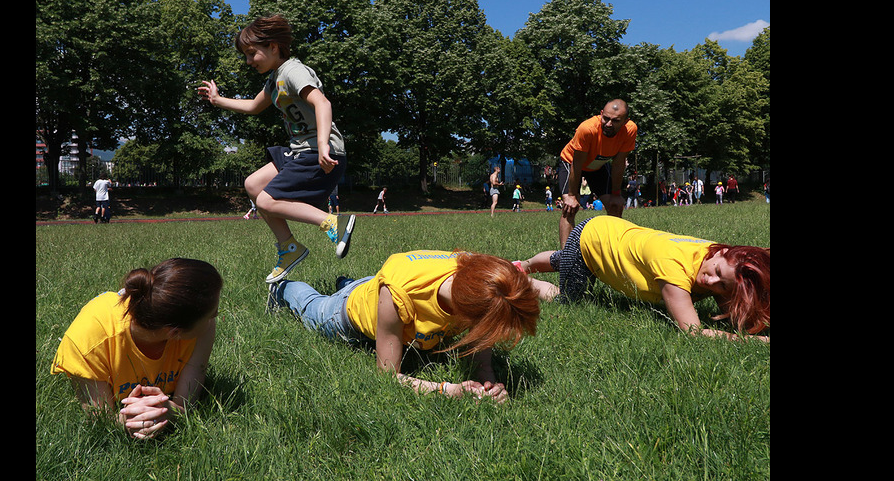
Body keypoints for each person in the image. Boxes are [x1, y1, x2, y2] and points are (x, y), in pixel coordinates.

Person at [267, 250, 544, 403]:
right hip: (346, 315)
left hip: (379, 286)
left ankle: (348, 281)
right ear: (469, 313)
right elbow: (388, 375)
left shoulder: (481, 279)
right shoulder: (399, 295)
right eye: (488, 329)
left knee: (367, 285)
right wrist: (449, 389)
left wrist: (488, 377)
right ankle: (283, 288)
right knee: (310, 305)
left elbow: (483, 339)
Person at [198, 15, 355, 283]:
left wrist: (321, 145)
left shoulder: (294, 71)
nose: (248, 61)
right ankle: (289, 248)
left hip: (319, 150)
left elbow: (323, 104)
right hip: (299, 150)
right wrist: (217, 100)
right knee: (253, 185)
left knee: (266, 201)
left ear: (273, 46)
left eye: (251, 53)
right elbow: (252, 107)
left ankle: (333, 223)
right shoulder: (274, 79)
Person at [516, 216, 770, 342]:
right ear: (723, 253)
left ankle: (523, 265)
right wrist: (756, 341)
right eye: (716, 274)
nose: (711, 283)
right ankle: (524, 279)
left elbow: (738, 312)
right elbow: (692, 332)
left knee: (565, 260)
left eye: (723, 285)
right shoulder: (674, 268)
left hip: (610, 230)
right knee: (569, 299)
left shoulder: (715, 255)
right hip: (591, 239)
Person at [51, 258, 222, 439]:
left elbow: (185, 406)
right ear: (175, 332)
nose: (215, 317)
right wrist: (128, 420)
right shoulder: (88, 342)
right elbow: (100, 417)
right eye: (214, 313)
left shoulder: (203, 329)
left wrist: (170, 412)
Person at [556, 99, 637, 247]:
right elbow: (577, 163)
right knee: (570, 208)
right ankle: (565, 257)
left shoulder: (630, 130)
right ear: (601, 114)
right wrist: (572, 196)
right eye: (605, 118)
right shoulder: (587, 129)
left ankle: (613, 249)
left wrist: (616, 194)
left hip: (598, 164)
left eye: (615, 120)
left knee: (614, 205)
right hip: (572, 162)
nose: (608, 124)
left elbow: (619, 164)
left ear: (626, 121)